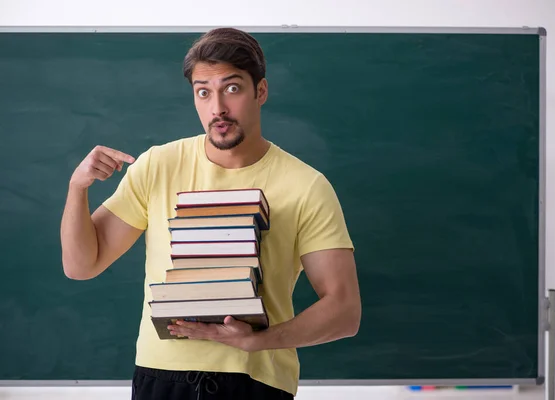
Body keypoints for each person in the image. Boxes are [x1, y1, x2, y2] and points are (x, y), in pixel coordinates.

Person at [60, 27, 361, 400]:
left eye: (231, 88)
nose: (217, 107)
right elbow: (81, 265)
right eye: (204, 92)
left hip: (255, 381)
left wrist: (261, 341)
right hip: (161, 378)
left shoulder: (306, 186)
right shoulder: (158, 165)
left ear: (260, 92)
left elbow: (344, 311)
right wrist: (78, 187)